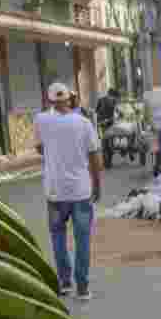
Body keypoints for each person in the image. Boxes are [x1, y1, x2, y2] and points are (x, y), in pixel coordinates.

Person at [34, 82, 103, 301]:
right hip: (81, 192)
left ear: (49, 100)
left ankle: (64, 283)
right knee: (82, 239)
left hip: (55, 192)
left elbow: (39, 148)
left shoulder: (41, 120)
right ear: (69, 99)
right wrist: (97, 185)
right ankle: (82, 288)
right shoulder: (84, 123)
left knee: (58, 237)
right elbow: (94, 156)